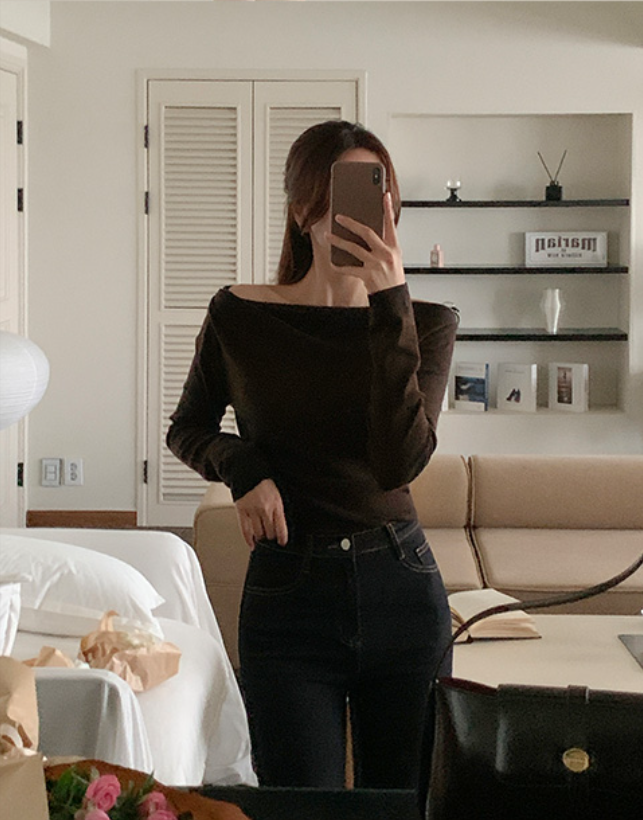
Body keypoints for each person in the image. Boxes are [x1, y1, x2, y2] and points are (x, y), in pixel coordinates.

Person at [166, 120, 458, 801]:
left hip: (400, 584)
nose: (362, 213)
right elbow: (188, 428)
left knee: (406, 803)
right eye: (340, 194)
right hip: (287, 590)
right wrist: (243, 469)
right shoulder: (239, 315)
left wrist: (390, 304)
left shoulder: (425, 323)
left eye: (377, 194)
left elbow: (399, 463)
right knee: (299, 803)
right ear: (303, 210)